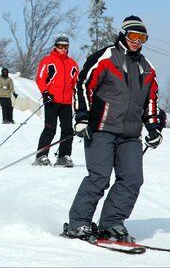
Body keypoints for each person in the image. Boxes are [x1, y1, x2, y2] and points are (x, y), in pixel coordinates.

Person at [63, 15, 162, 243]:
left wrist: (153, 127)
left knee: (132, 179)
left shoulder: (147, 68)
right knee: (99, 177)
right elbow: (83, 84)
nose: (137, 41)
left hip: (130, 134)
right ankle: (78, 223)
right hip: (101, 128)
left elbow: (151, 99)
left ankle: (111, 223)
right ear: (124, 35)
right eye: (133, 36)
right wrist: (81, 117)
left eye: (142, 37)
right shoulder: (107, 57)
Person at [34, 34, 80, 167]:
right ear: (55, 46)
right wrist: (45, 93)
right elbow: (40, 78)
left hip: (66, 102)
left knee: (67, 130)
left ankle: (63, 157)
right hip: (52, 100)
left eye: (66, 46)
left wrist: (77, 98)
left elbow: (76, 83)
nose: (63, 49)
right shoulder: (48, 60)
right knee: (50, 129)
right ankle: (41, 156)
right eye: (61, 46)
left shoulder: (72, 64)